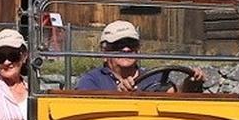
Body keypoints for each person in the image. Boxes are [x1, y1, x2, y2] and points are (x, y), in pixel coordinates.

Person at [76, 20, 205, 92]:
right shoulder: (92, 80)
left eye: (131, 44)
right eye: (118, 45)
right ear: (104, 53)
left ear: (138, 49)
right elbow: (86, 112)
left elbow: (173, 95)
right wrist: (117, 96)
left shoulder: (155, 77)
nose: (126, 49)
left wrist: (190, 84)